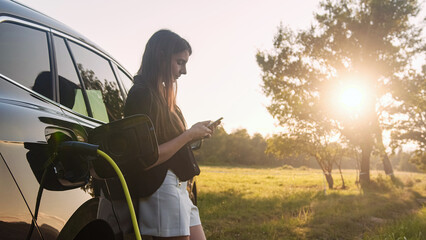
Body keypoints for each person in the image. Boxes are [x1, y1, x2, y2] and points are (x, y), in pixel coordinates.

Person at [124, 29, 210, 240]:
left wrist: (194, 133)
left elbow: (171, 142)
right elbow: (147, 159)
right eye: (180, 62)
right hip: (162, 187)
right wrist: (189, 135)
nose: (184, 71)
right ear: (161, 56)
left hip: (179, 187)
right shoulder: (141, 95)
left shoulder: (161, 95)